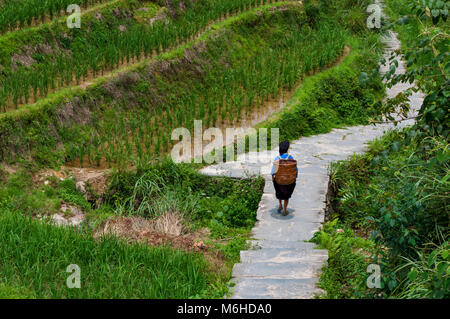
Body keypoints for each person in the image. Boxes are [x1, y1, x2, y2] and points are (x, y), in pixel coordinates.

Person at [271, 140, 298, 216]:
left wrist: (273, 177)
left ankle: (280, 205)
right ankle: (285, 210)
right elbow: (296, 169)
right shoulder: (291, 158)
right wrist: (295, 177)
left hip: (279, 181)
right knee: (286, 196)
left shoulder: (277, 158)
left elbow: (273, 171)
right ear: (287, 149)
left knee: (279, 193)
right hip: (288, 181)